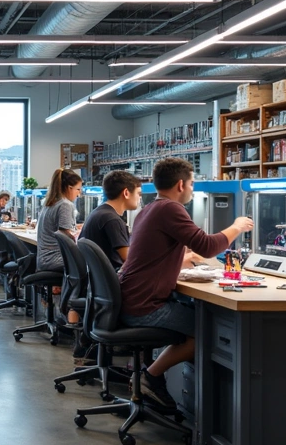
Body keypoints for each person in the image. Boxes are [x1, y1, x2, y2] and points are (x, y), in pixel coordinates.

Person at [119, 158, 253, 408]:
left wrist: (187, 258)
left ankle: (151, 377)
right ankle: (151, 377)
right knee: (207, 329)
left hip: (133, 299)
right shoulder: (170, 209)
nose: (192, 188)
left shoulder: (148, 209)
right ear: (181, 184)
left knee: (196, 318)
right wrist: (237, 227)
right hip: (146, 308)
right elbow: (208, 245)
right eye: (192, 183)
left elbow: (155, 256)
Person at [78, 170, 142, 270]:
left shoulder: (98, 213)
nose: (140, 198)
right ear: (126, 193)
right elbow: (130, 260)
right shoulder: (112, 220)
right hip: (112, 281)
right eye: (139, 193)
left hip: (98, 282)